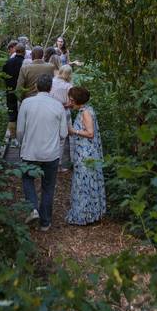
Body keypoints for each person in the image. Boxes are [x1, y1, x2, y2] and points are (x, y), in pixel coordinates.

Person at [16, 74, 68, 231]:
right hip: (51, 154)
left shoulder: (26, 103)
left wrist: (21, 144)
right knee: (48, 186)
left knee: (27, 179)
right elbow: (64, 133)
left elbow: (19, 130)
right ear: (50, 88)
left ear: (36, 87)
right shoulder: (58, 106)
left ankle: (32, 209)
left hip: (30, 151)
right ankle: (45, 222)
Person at [65, 86, 105, 225]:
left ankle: (84, 215)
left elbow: (90, 133)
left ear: (77, 100)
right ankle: (88, 214)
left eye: (71, 99)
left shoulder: (86, 113)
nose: (69, 101)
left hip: (86, 153)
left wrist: (73, 131)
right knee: (85, 182)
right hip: (84, 151)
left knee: (84, 183)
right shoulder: (84, 109)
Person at [50, 65, 75, 171]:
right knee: (61, 139)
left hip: (50, 111)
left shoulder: (52, 81)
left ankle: (47, 161)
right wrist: (63, 104)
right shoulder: (68, 86)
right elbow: (71, 104)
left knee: (50, 136)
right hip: (63, 113)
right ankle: (58, 165)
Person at [1, 43, 25, 136]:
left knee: (12, 113)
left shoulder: (8, 62)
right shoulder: (26, 63)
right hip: (22, 91)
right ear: (23, 52)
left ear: (15, 51)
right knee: (23, 113)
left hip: (10, 90)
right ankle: (23, 135)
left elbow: (3, 76)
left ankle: (13, 135)